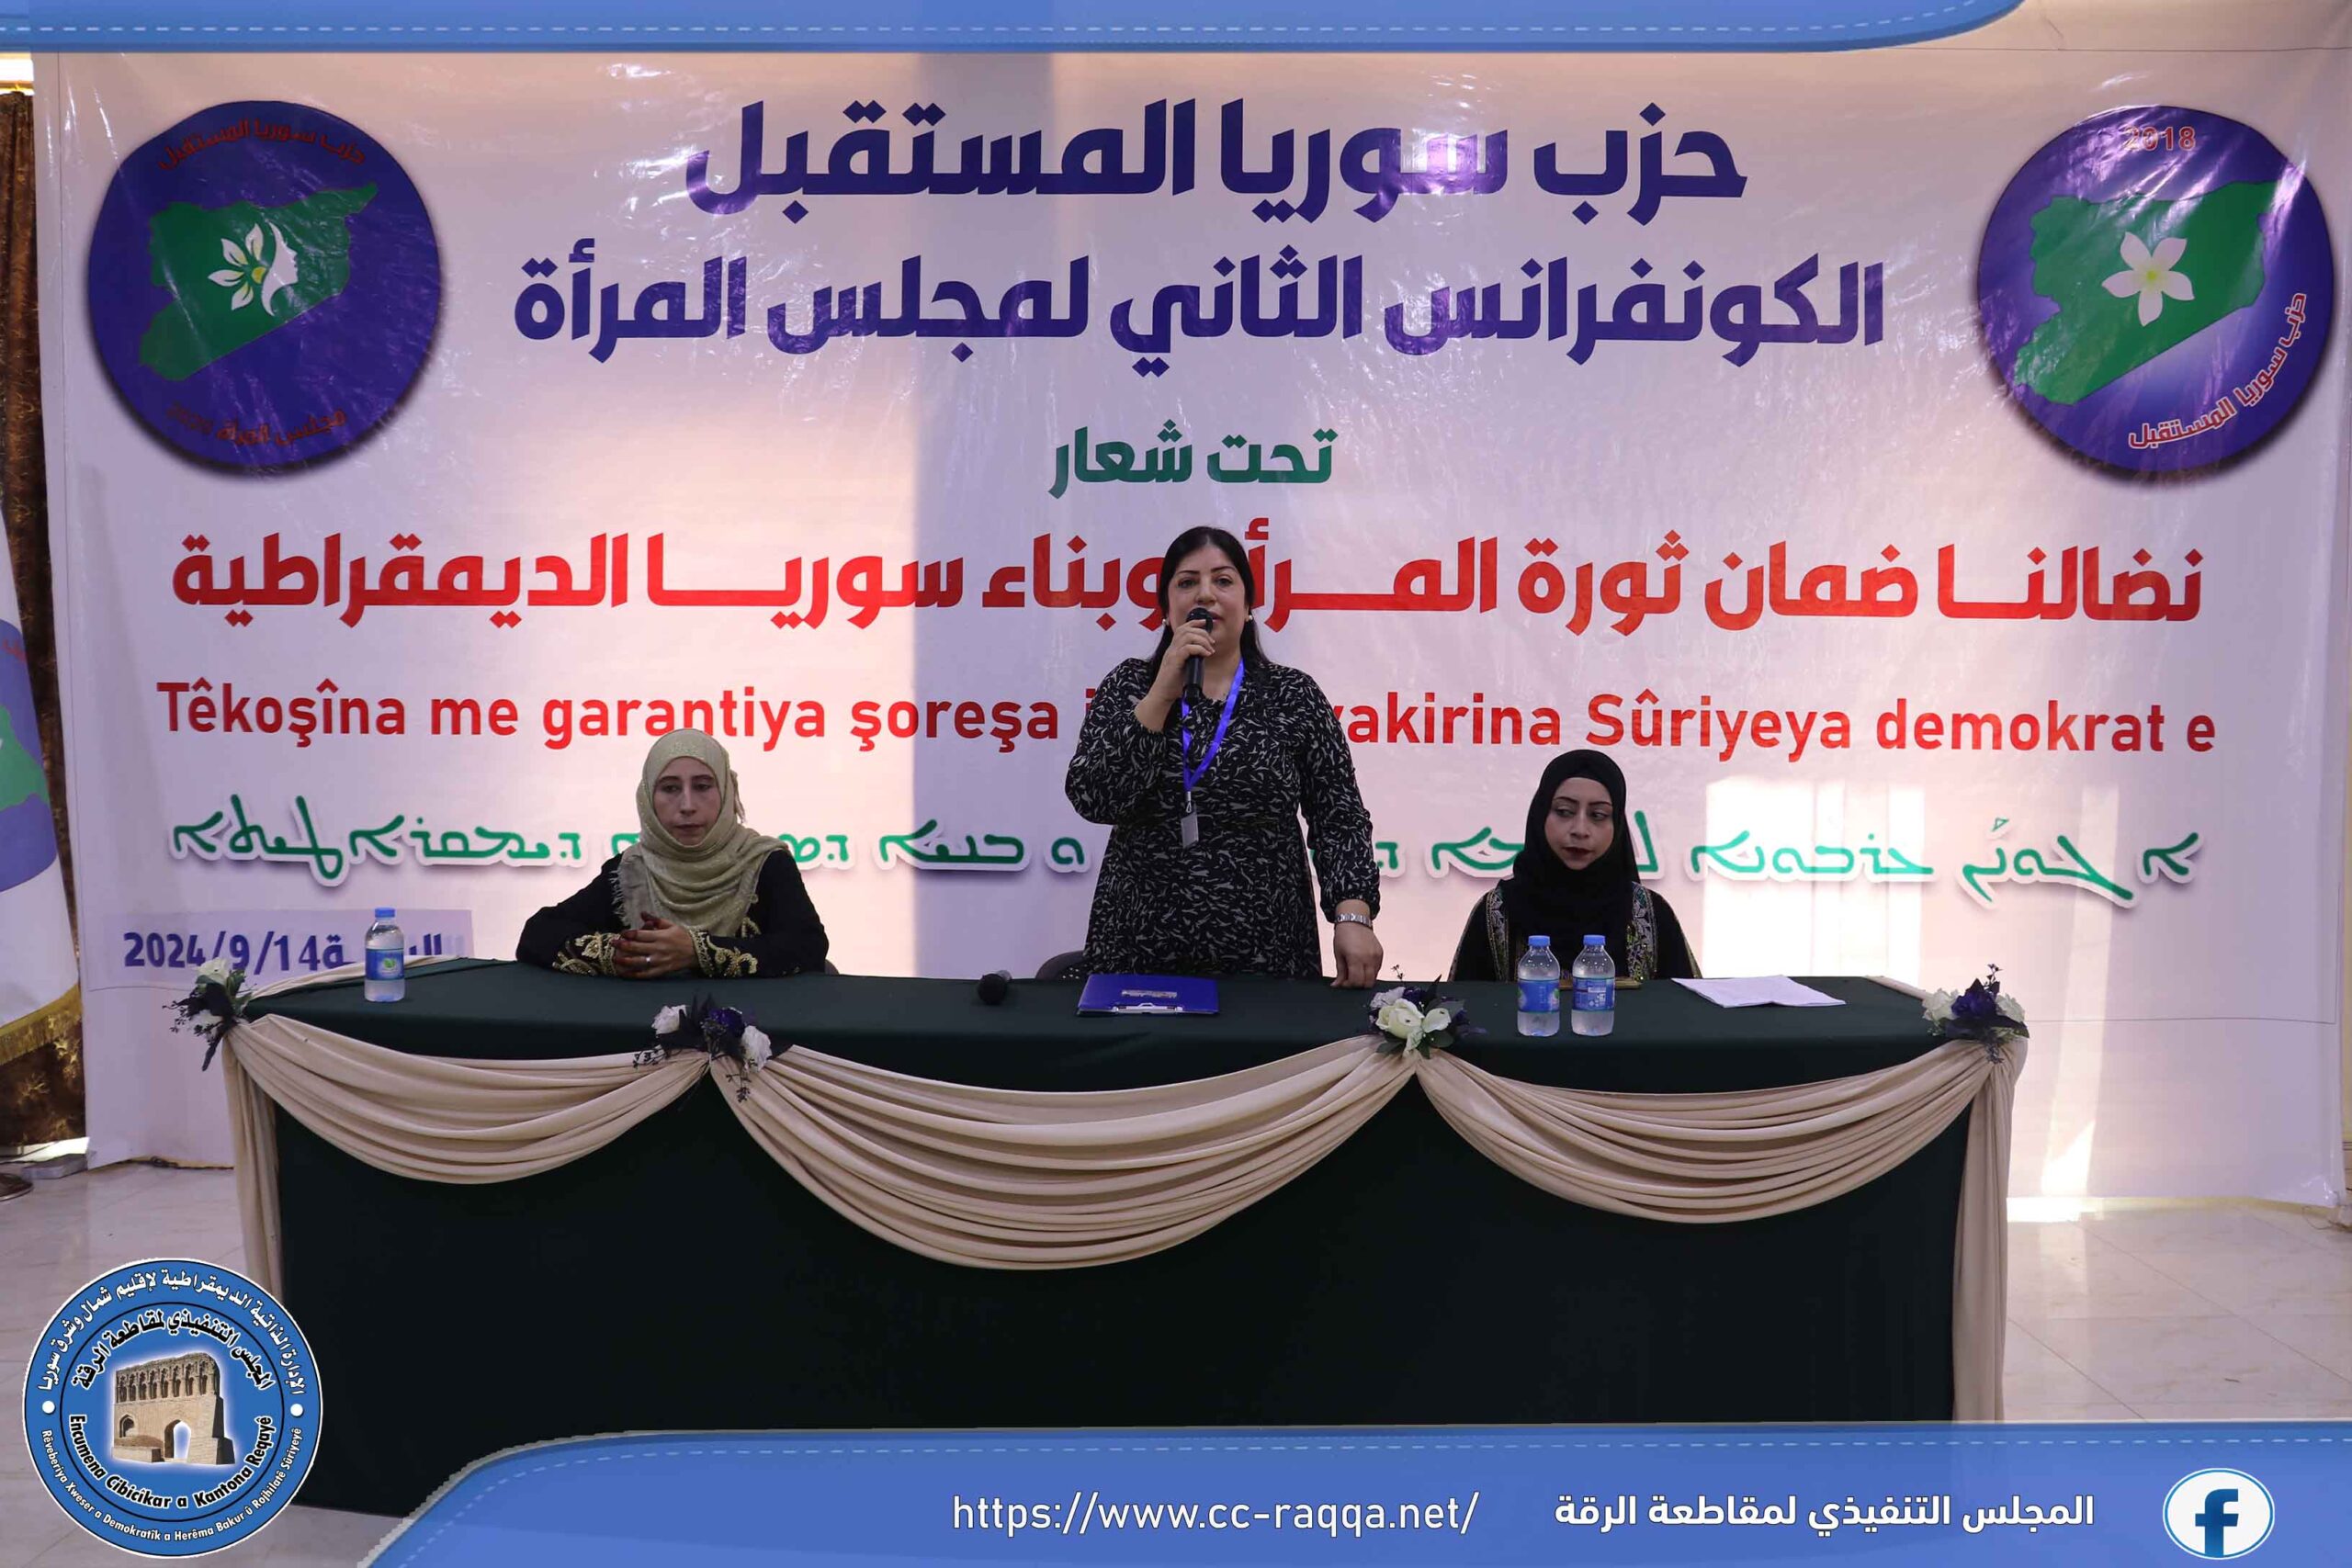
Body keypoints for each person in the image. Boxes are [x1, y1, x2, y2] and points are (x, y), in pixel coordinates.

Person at [1065, 525, 1384, 985]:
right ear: (1166, 608)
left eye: (1223, 580)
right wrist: (1162, 694)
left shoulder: (1292, 695)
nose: (1205, 595)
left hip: (1268, 951)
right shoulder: (1130, 685)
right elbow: (1095, 798)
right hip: (1138, 947)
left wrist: (1353, 915)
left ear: (1249, 605)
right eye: (1187, 582)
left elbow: (1339, 817)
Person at [517, 729, 829, 978]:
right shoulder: (632, 870)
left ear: (726, 792)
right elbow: (539, 934)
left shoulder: (764, 862)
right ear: (647, 798)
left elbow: (807, 948)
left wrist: (697, 951)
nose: (687, 805)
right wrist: (621, 954)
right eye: (669, 788)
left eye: (703, 786)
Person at [1447, 749, 1699, 984]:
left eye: (1598, 815)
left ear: (1617, 825)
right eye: (1564, 811)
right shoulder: (1497, 913)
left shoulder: (1650, 913)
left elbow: (1689, 1009)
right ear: (1541, 815)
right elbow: (1462, 1008)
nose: (1580, 830)